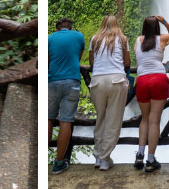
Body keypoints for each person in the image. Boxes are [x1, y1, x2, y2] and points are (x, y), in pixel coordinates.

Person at [88, 15, 130, 171]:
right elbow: (127, 63)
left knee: (101, 118)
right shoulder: (122, 39)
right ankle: (105, 159)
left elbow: (92, 62)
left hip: (97, 81)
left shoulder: (95, 39)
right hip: (116, 81)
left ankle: (98, 156)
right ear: (116, 24)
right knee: (113, 120)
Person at [134, 15, 169, 172]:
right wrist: (164, 21)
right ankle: (150, 160)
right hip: (158, 79)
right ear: (157, 27)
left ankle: (140, 154)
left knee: (144, 119)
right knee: (154, 120)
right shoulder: (162, 39)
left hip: (142, 80)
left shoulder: (138, 40)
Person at [47, 17, 85, 175]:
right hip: (72, 82)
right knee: (66, 121)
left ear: (57, 28)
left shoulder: (49, 38)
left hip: (53, 81)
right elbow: (79, 57)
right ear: (70, 28)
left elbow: (47, 59)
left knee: (48, 119)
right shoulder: (79, 36)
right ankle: (59, 163)